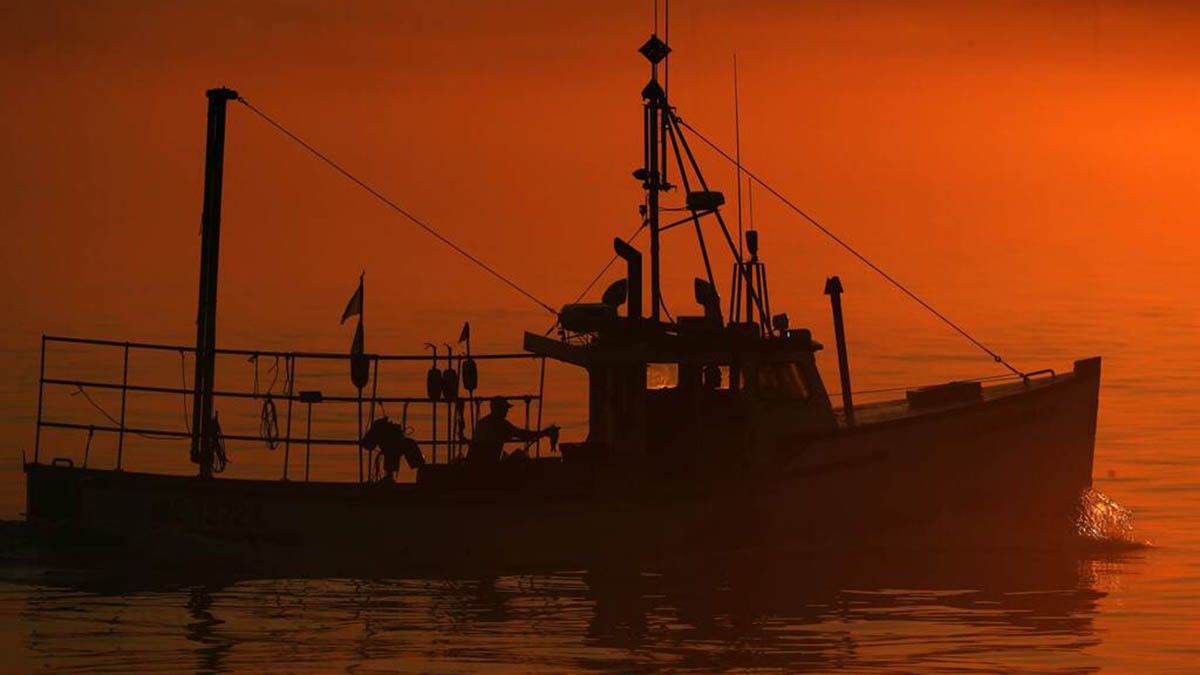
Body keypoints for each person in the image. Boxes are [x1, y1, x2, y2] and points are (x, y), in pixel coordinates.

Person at [466, 396, 558, 465]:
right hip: (488, 464)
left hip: (472, 462)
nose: (507, 411)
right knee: (520, 455)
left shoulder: (482, 422)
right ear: (498, 409)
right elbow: (522, 434)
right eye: (505, 409)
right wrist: (544, 433)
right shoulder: (501, 424)